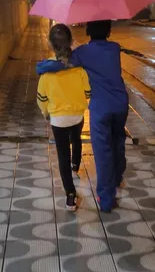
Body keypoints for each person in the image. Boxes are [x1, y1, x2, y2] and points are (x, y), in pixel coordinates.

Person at [37, 20, 129, 213]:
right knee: (118, 139)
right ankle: (118, 176)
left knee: (103, 150)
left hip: (100, 108)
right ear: (109, 31)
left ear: (88, 31)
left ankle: (106, 198)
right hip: (121, 104)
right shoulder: (114, 48)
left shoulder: (83, 53)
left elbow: (60, 65)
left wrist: (42, 67)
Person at [37, 24, 90, 212]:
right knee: (76, 138)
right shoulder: (79, 69)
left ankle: (70, 195)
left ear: (50, 43)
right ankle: (76, 164)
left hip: (58, 120)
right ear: (71, 42)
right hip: (76, 115)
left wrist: (46, 112)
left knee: (62, 154)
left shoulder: (46, 72)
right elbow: (88, 92)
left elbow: (41, 99)